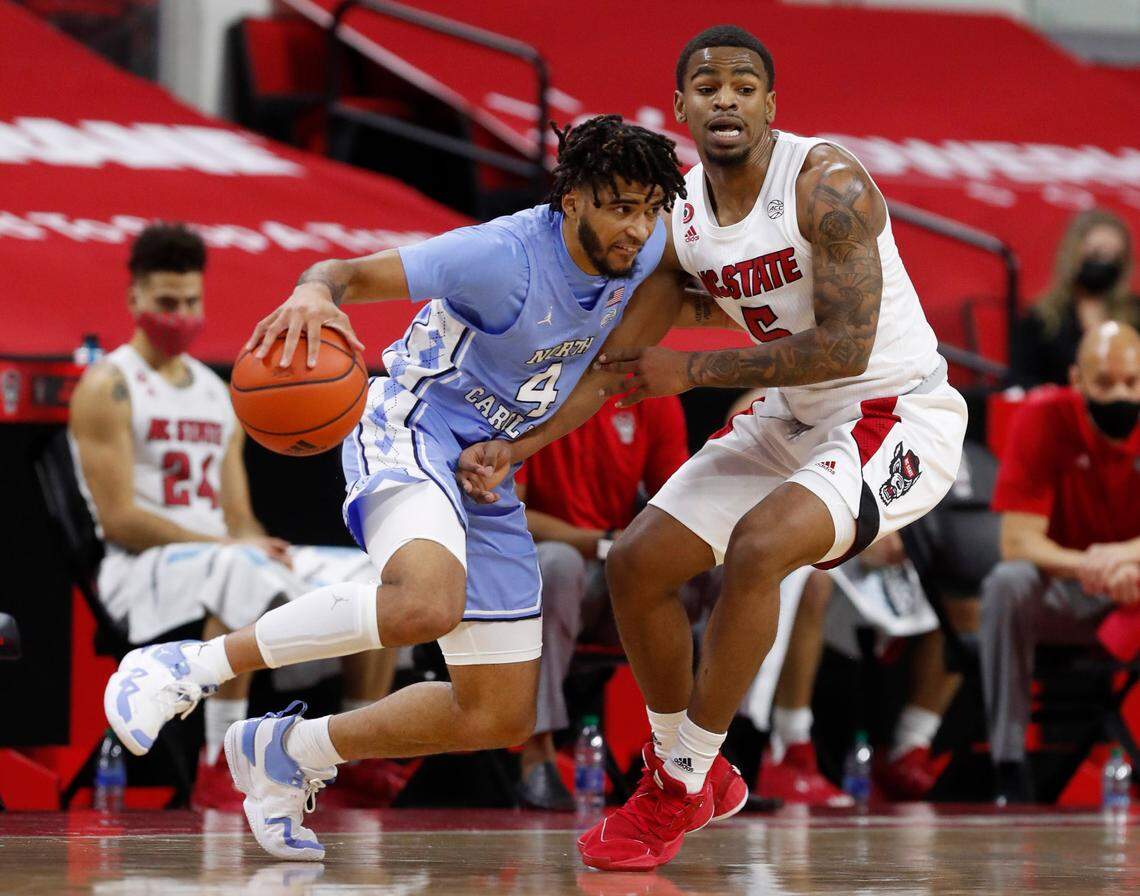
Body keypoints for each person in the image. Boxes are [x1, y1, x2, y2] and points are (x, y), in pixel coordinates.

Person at [102, 116, 747, 861]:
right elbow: (347, 273)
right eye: (619, 208)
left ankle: (293, 750)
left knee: (496, 713)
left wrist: (516, 447)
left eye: (649, 209)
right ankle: (185, 667)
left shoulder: (644, 255)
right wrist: (316, 292)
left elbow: (602, 379)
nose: (637, 228)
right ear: (572, 199)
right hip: (412, 427)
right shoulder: (500, 256)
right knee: (424, 602)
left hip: (483, 463)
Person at [457, 25, 967, 870]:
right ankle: (688, 770)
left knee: (763, 548)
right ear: (681, 107)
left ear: (771, 104)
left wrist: (691, 372)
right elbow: (621, 364)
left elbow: (844, 346)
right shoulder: (682, 215)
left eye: (742, 85)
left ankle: (677, 780)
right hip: (793, 411)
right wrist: (519, 443)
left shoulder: (827, 182)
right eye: (707, 86)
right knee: (637, 561)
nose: (724, 98)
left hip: (894, 411)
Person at [71, 223, 393, 810]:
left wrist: (257, 543)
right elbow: (119, 520)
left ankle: (356, 755)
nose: (181, 314)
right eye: (167, 302)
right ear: (134, 299)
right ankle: (218, 762)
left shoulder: (215, 391)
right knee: (240, 569)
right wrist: (232, 547)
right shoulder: (107, 385)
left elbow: (238, 516)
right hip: (137, 567)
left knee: (374, 577)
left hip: (213, 554)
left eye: (191, 301)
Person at [982, 321, 1140, 803]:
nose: (1119, 395)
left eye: (1131, 383)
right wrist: (1091, 565)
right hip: (1067, 592)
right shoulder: (1043, 417)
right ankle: (1008, 764)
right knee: (1006, 582)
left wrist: (1127, 557)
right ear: (1076, 380)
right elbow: (1018, 543)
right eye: (1104, 383)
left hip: (1134, 591)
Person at [515, 394, 691, 810]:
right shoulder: (537, 392)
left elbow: (682, 504)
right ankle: (536, 752)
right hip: (547, 569)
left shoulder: (651, 395)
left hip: (619, 577)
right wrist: (600, 542)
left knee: (721, 565)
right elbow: (511, 513)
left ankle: (699, 753)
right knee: (559, 564)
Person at [1009, 209, 1136, 388]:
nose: (1105, 263)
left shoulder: (1135, 315)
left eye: (1114, 257)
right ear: (1074, 255)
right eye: (1097, 254)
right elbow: (1020, 382)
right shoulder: (1040, 319)